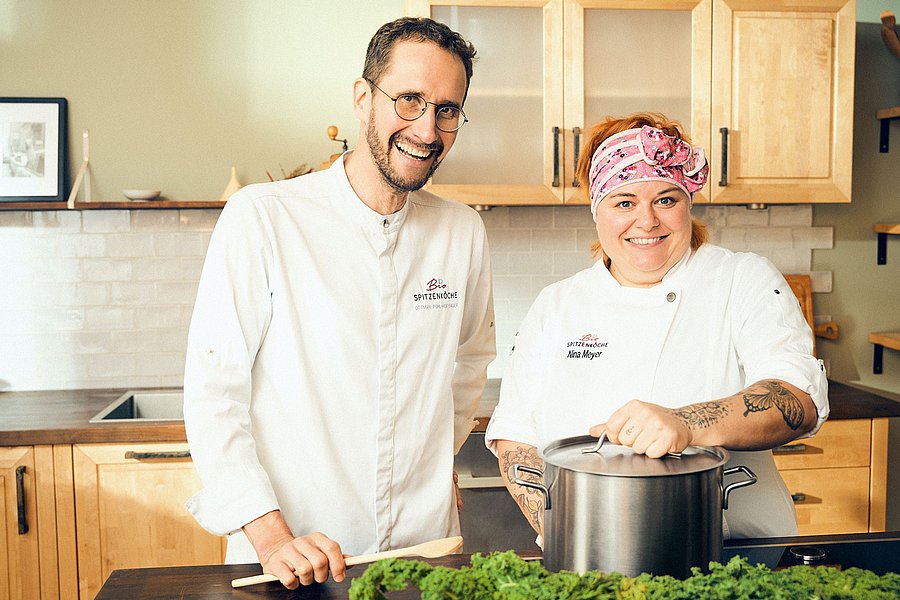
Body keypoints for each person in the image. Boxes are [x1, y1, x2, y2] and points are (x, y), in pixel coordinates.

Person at [183, 17, 495, 590]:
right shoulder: (263, 218)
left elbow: (470, 362)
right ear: (362, 98)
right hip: (292, 557)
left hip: (422, 549)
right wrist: (272, 537)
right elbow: (213, 397)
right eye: (409, 100)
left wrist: (432, 462)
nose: (428, 129)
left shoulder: (462, 232)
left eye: (447, 109)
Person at [485, 112, 828, 542]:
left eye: (665, 200)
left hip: (735, 553)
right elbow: (516, 439)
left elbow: (797, 399)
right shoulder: (557, 305)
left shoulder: (742, 280)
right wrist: (567, 536)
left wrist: (686, 423)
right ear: (597, 211)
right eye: (624, 202)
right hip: (584, 558)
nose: (646, 222)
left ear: (688, 203)